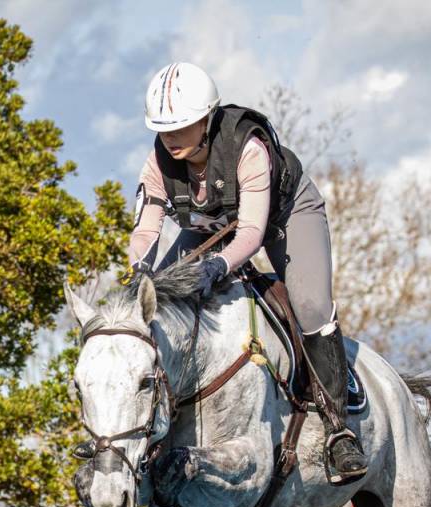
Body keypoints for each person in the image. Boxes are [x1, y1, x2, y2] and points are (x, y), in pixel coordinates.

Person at [128, 61, 366, 484]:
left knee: (310, 304)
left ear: (208, 119)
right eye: (163, 129)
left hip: (283, 218)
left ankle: (338, 431)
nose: (170, 138)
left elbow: (253, 233)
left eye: (181, 127)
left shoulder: (247, 147)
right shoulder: (158, 162)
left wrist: (219, 264)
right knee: (162, 305)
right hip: (215, 226)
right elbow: (147, 227)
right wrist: (139, 271)